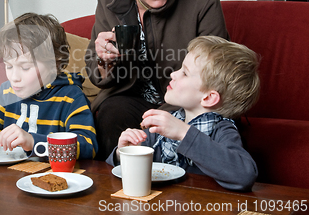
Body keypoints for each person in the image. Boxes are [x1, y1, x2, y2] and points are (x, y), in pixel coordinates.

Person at [86, 0, 229, 160]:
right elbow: (97, 75)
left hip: (184, 105)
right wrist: (104, 61)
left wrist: (165, 118)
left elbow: (218, 78)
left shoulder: (203, 0)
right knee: (111, 112)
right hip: (128, 101)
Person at [106, 36, 260, 191]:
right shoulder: (167, 124)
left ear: (208, 97)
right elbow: (116, 168)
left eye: (185, 73)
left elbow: (245, 175)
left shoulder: (221, 130)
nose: (173, 74)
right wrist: (124, 152)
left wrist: (184, 133)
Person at [0, 12, 98, 159]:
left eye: (25, 68)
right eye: (9, 66)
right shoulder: (6, 92)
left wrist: (33, 142)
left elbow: (87, 146)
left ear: (54, 61)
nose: (14, 78)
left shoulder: (71, 97)